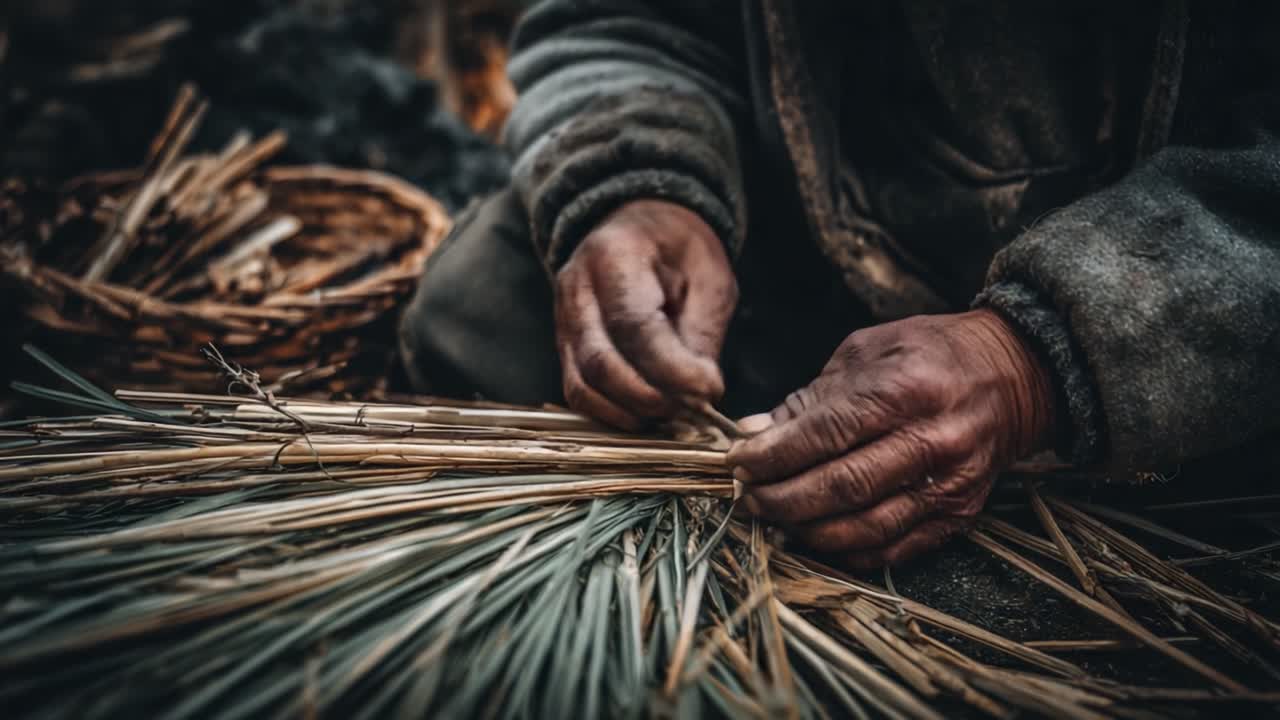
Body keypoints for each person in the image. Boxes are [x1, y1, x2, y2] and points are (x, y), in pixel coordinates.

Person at [399, 1, 1280, 567]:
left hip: (1170, 278)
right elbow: (619, 23)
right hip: (800, 227)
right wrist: (640, 188)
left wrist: (1036, 363)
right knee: (484, 299)